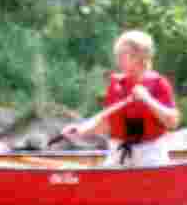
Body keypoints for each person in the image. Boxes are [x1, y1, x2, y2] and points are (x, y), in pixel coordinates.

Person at [64, 30, 179, 166]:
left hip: (150, 152)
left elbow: (172, 122)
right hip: (119, 150)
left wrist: (148, 99)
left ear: (140, 56)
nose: (118, 59)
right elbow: (108, 123)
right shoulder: (117, 85)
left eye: (123, 54)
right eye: (117, 55)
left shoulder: (159, 84)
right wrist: (81, 130)